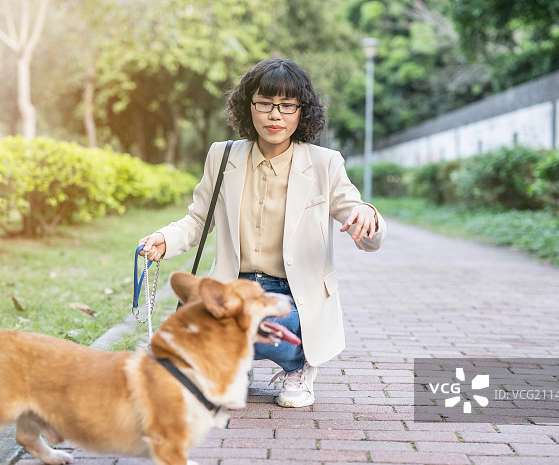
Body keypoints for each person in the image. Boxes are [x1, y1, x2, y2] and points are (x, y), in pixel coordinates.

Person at [138, 58, 386, 408]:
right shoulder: (222, 156)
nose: (275, 115)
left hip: (293, 296)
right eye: (265, 103)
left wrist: (367, 215)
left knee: (265, 323)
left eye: (287, 105)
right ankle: (236, 362)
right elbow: (198, 220)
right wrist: (164, 240)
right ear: (248, 106)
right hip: (235, 287)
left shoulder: (324, 163)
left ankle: (298, 366)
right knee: (205, 323)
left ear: (302, 111)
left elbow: (358, 217)